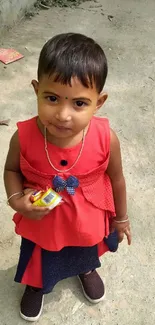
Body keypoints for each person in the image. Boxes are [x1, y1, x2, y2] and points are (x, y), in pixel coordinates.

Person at [4, 33, 131, 322]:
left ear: (99, 102)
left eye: (79, 103)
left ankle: (85, 268)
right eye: (52, 98)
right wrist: (16, 202)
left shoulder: (105, 138)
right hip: (43, 223)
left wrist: (121, 218)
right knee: (39, 256)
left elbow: (117, 179)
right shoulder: (23, 137)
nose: (62, 114)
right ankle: (37, 285)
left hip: (86, 219)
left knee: (85, 248)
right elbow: (11, 170)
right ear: (36, 90)